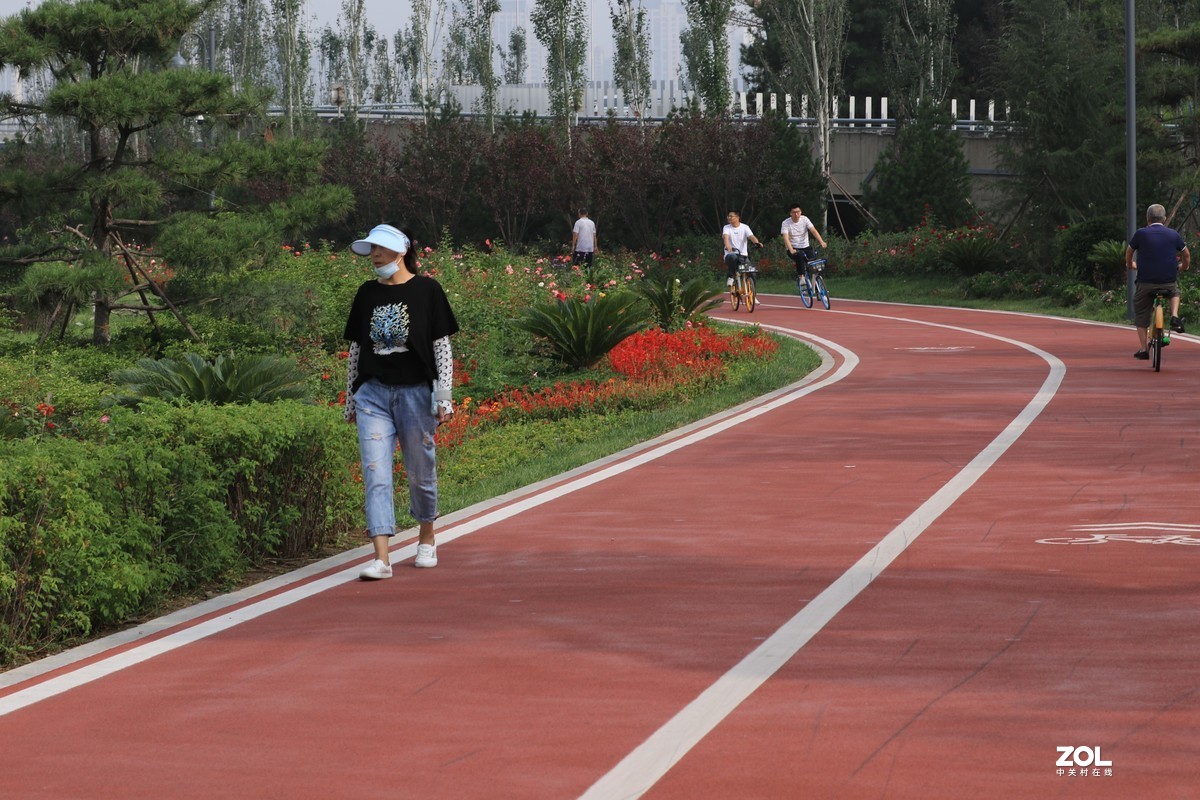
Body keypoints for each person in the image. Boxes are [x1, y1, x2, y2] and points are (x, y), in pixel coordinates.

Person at [343, 224, 459, 580]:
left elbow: (442, 348)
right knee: (375, 473)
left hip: (415, 394)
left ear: (402, 250)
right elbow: (356, 350)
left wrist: (445, 398)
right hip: (373, 395)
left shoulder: (428, 290)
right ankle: (382, 558)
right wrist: (351, 399)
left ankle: (426, 536)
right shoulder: (365, 294)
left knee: (420, 472)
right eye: (371, 249)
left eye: (381, 248)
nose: (375, 255)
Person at [1126, 203, 1190, 360]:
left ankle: (1143, 349)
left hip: (1145, 283)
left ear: (1147, 219)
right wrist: (1183, 267)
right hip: (1167, 281)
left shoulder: (1141, 233)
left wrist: (1130, 265)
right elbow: (1186, 255)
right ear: (1165, 218)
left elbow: (1129, 252)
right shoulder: (1173, 234)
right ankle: (1174, 315)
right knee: (1174, 291)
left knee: (1141, 314)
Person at [781, 203, 827, 275]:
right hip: (793, 248)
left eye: (798, 212)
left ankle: (816, 281)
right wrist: (791, 250)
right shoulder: (785, 223)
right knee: (799, 256)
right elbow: (786, 238)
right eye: (794, 212)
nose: (796, 214)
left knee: (813, 263)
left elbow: (813, 230)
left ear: (801, 212)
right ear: (790, 213)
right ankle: (801, 277)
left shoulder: (805, 219)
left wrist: (821, 241)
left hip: (805, 246)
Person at [722, 211, 763, 286]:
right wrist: (727, 246)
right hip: (730, 255)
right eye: (728, 216)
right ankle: (731, 277)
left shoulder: (745, 227)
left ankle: (753, 295)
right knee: (733, 256)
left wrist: (757, 243)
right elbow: (725, 237)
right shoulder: (726, 227)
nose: (729, 218)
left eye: (731, 216)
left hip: (743, 256)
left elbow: (751, 237)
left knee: (752, 273)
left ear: (737, 217)